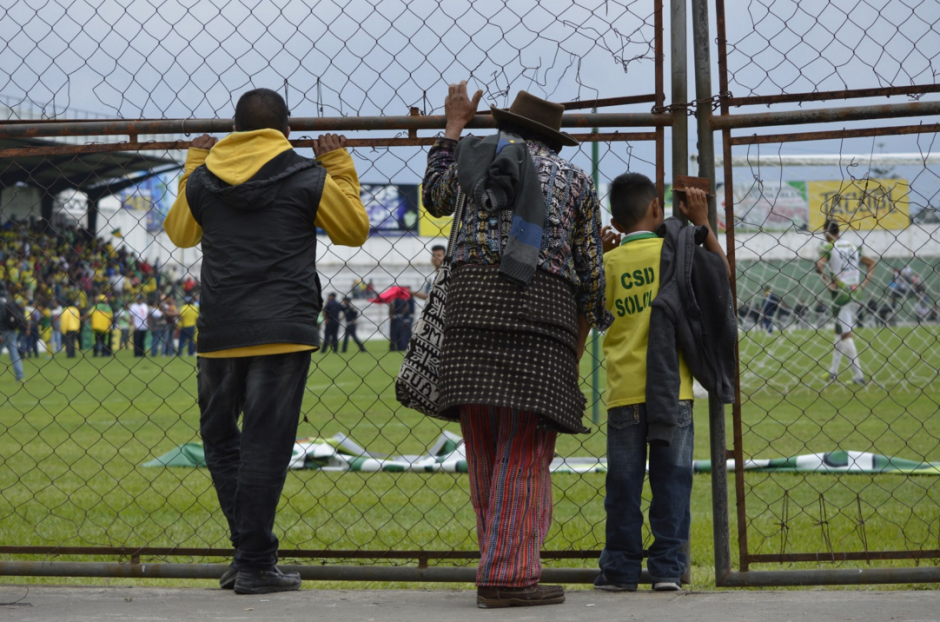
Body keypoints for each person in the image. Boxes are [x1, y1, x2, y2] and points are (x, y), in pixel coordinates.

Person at [163, 87, 368, 594]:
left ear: (233, 129)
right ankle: (254, 559)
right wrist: (338, 163)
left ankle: (249, 554)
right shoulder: (306, 174)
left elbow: (180, 235)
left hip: (220, 328)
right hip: (283, 327)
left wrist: (194, 160)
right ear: (288, 132)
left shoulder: (205, 179)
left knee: (221, 441)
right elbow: (354, 231)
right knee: (265, 444)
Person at [421, 84, 611, 608]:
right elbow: (591, 272)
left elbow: (434, 196)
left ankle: (498, 564)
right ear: (552, 139)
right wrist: (592, 321)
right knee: (525, 449)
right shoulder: (574, 179)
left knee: (483, 442)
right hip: (539, 313)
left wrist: (453, 127)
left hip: (468, 308)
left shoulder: (473, 159)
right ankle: (508, 576)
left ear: (508, 127)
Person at [594, 174, 728, 593]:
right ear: (657, 208)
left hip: (624, 391)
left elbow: (596, 313)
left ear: (614, 221)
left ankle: (619, 570)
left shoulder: (608, 263)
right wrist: (705, 224)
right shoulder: (678, 253)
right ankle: (668, 569)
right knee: (672, 482)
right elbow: (721, 278)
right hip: (675, 391)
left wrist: (601, 254)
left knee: (623, 484)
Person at [816, 219, 877, 385]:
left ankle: (859, 375)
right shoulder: (852, 246)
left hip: (841, 296)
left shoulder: (828, 247)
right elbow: (871, 263)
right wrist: (864, 283)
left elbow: (819, 266)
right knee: (839, 331)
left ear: (826, 232)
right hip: (855, 292)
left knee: (846, 334)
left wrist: (829, 284)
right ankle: (833, 372)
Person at [0, 284, 26, 382]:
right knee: (14, 354)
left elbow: (0, 319)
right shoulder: (9, 299)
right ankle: (20, 375)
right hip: (13, 331)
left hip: (3, 332)